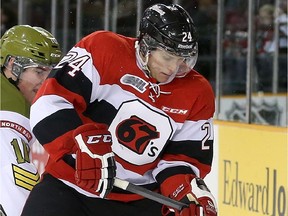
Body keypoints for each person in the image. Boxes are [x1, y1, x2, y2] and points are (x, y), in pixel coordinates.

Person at [22, 3, 217, 216]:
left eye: (182, 60)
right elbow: (49, 102)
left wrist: (183, 192)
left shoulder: (198, 92)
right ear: (146, 45)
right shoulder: (102, 49)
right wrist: (78, 145)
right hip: (70, 186)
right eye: (168, 57)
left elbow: (183, 159)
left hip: (140, 200)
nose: (173, 68)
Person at [0, 25, 62, 216]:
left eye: (49, 73)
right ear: (12, 64)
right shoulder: (7, 125)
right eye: (38, 71)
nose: (46, 82)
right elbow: (20, 206)